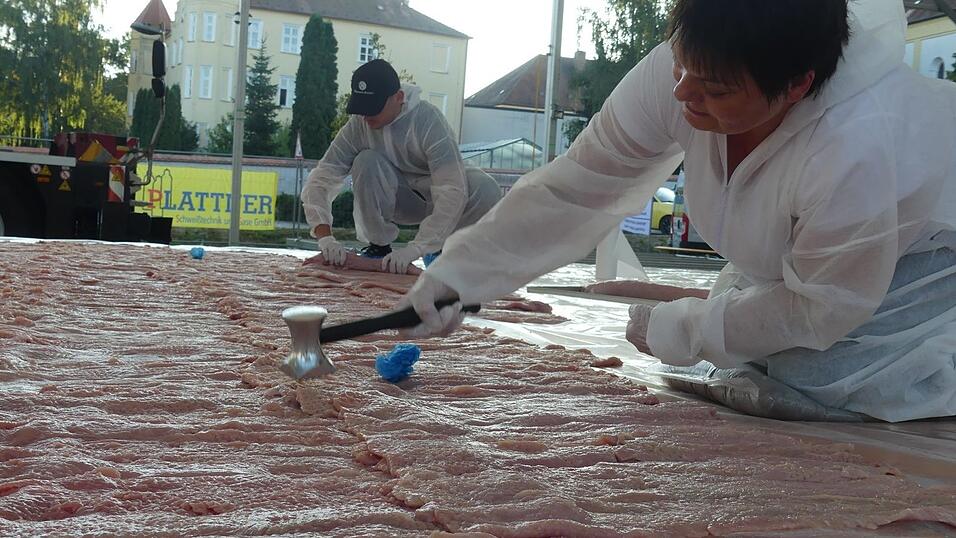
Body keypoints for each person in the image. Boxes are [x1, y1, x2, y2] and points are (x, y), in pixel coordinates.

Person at [397, 0, 956, 422]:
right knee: (751, 354)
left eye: (712, 90)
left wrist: (681, 328)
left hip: (924, 253)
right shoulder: (686, 68)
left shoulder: (856, 144)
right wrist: (462, 272)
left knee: (820, 375)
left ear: (796, 86)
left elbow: (821, 309)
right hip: (806, 256)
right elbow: (576, 188)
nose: (685, 93)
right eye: (682, 68)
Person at [301, 59, 502, 274]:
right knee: (366, 161)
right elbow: (321, 178)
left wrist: (417, 248)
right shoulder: (358, 126)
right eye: (362, 108)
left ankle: (444, 251)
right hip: (400, 199)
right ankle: (378, 247)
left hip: (439, 201)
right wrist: (325, 238)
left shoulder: (428, 120)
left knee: (484, 187)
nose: (366, 116)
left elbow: (451, 189)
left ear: (398, 97)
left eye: (374, 108)